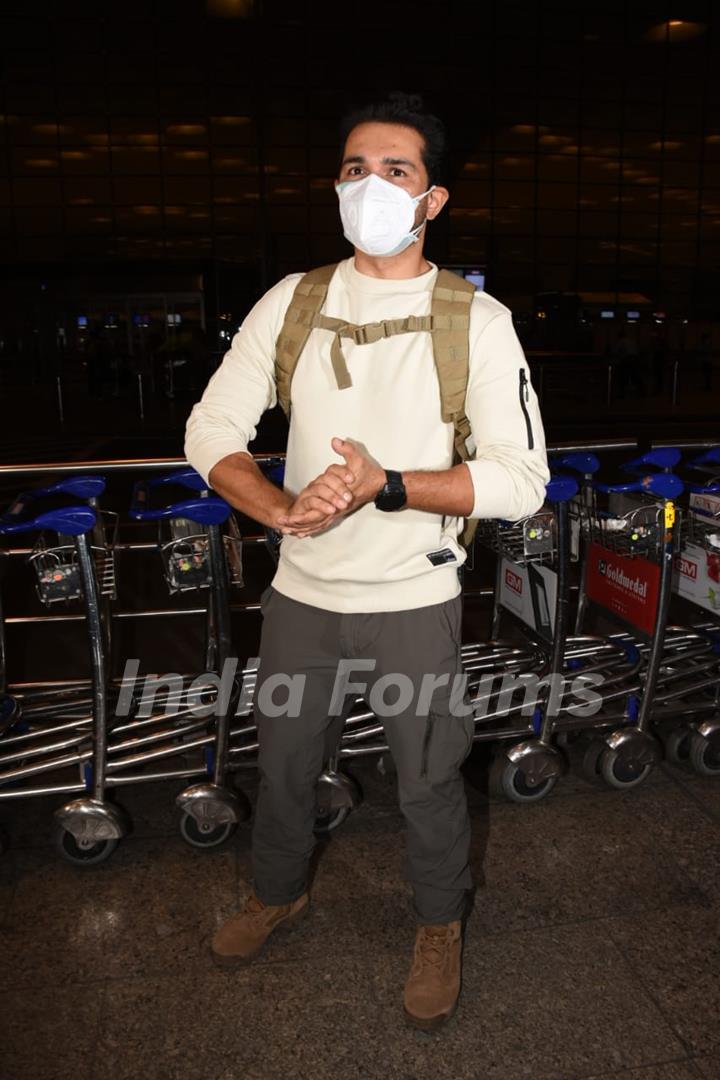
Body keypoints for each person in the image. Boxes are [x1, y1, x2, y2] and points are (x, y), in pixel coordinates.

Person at [185, 92, 549, 1030]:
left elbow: (519, 480)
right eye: (355, 169)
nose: (371, 186)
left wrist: (389, 486)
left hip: (411, 597)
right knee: (283, 762)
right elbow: (211, 426)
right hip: (300, 595)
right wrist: (276, 509)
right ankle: (278, 892)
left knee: (427, 776)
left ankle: (438, 924)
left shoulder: (477, 318)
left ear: (434, 200)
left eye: (397, 171)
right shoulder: (296, 300)